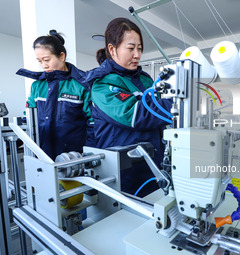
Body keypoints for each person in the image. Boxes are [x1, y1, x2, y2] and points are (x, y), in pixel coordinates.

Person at [85, 18, 172, 196]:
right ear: (112, 49)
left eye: (139, 48)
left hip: (154, 167)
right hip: (124, 174)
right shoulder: (103, 85)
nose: (137, 55)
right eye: (131, 48)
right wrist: (178, 103)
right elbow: (135, 115)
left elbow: (159, 116)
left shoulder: (145, 79)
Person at [16, 30, 95, 160]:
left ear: (62, 56)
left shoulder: (81, 85)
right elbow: (28, 119)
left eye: (46, 59)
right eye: (39, 61)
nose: (43, 65)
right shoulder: (37, 86)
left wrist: (88, 154)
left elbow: (93, 123)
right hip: (42, 155)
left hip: (73, 157)